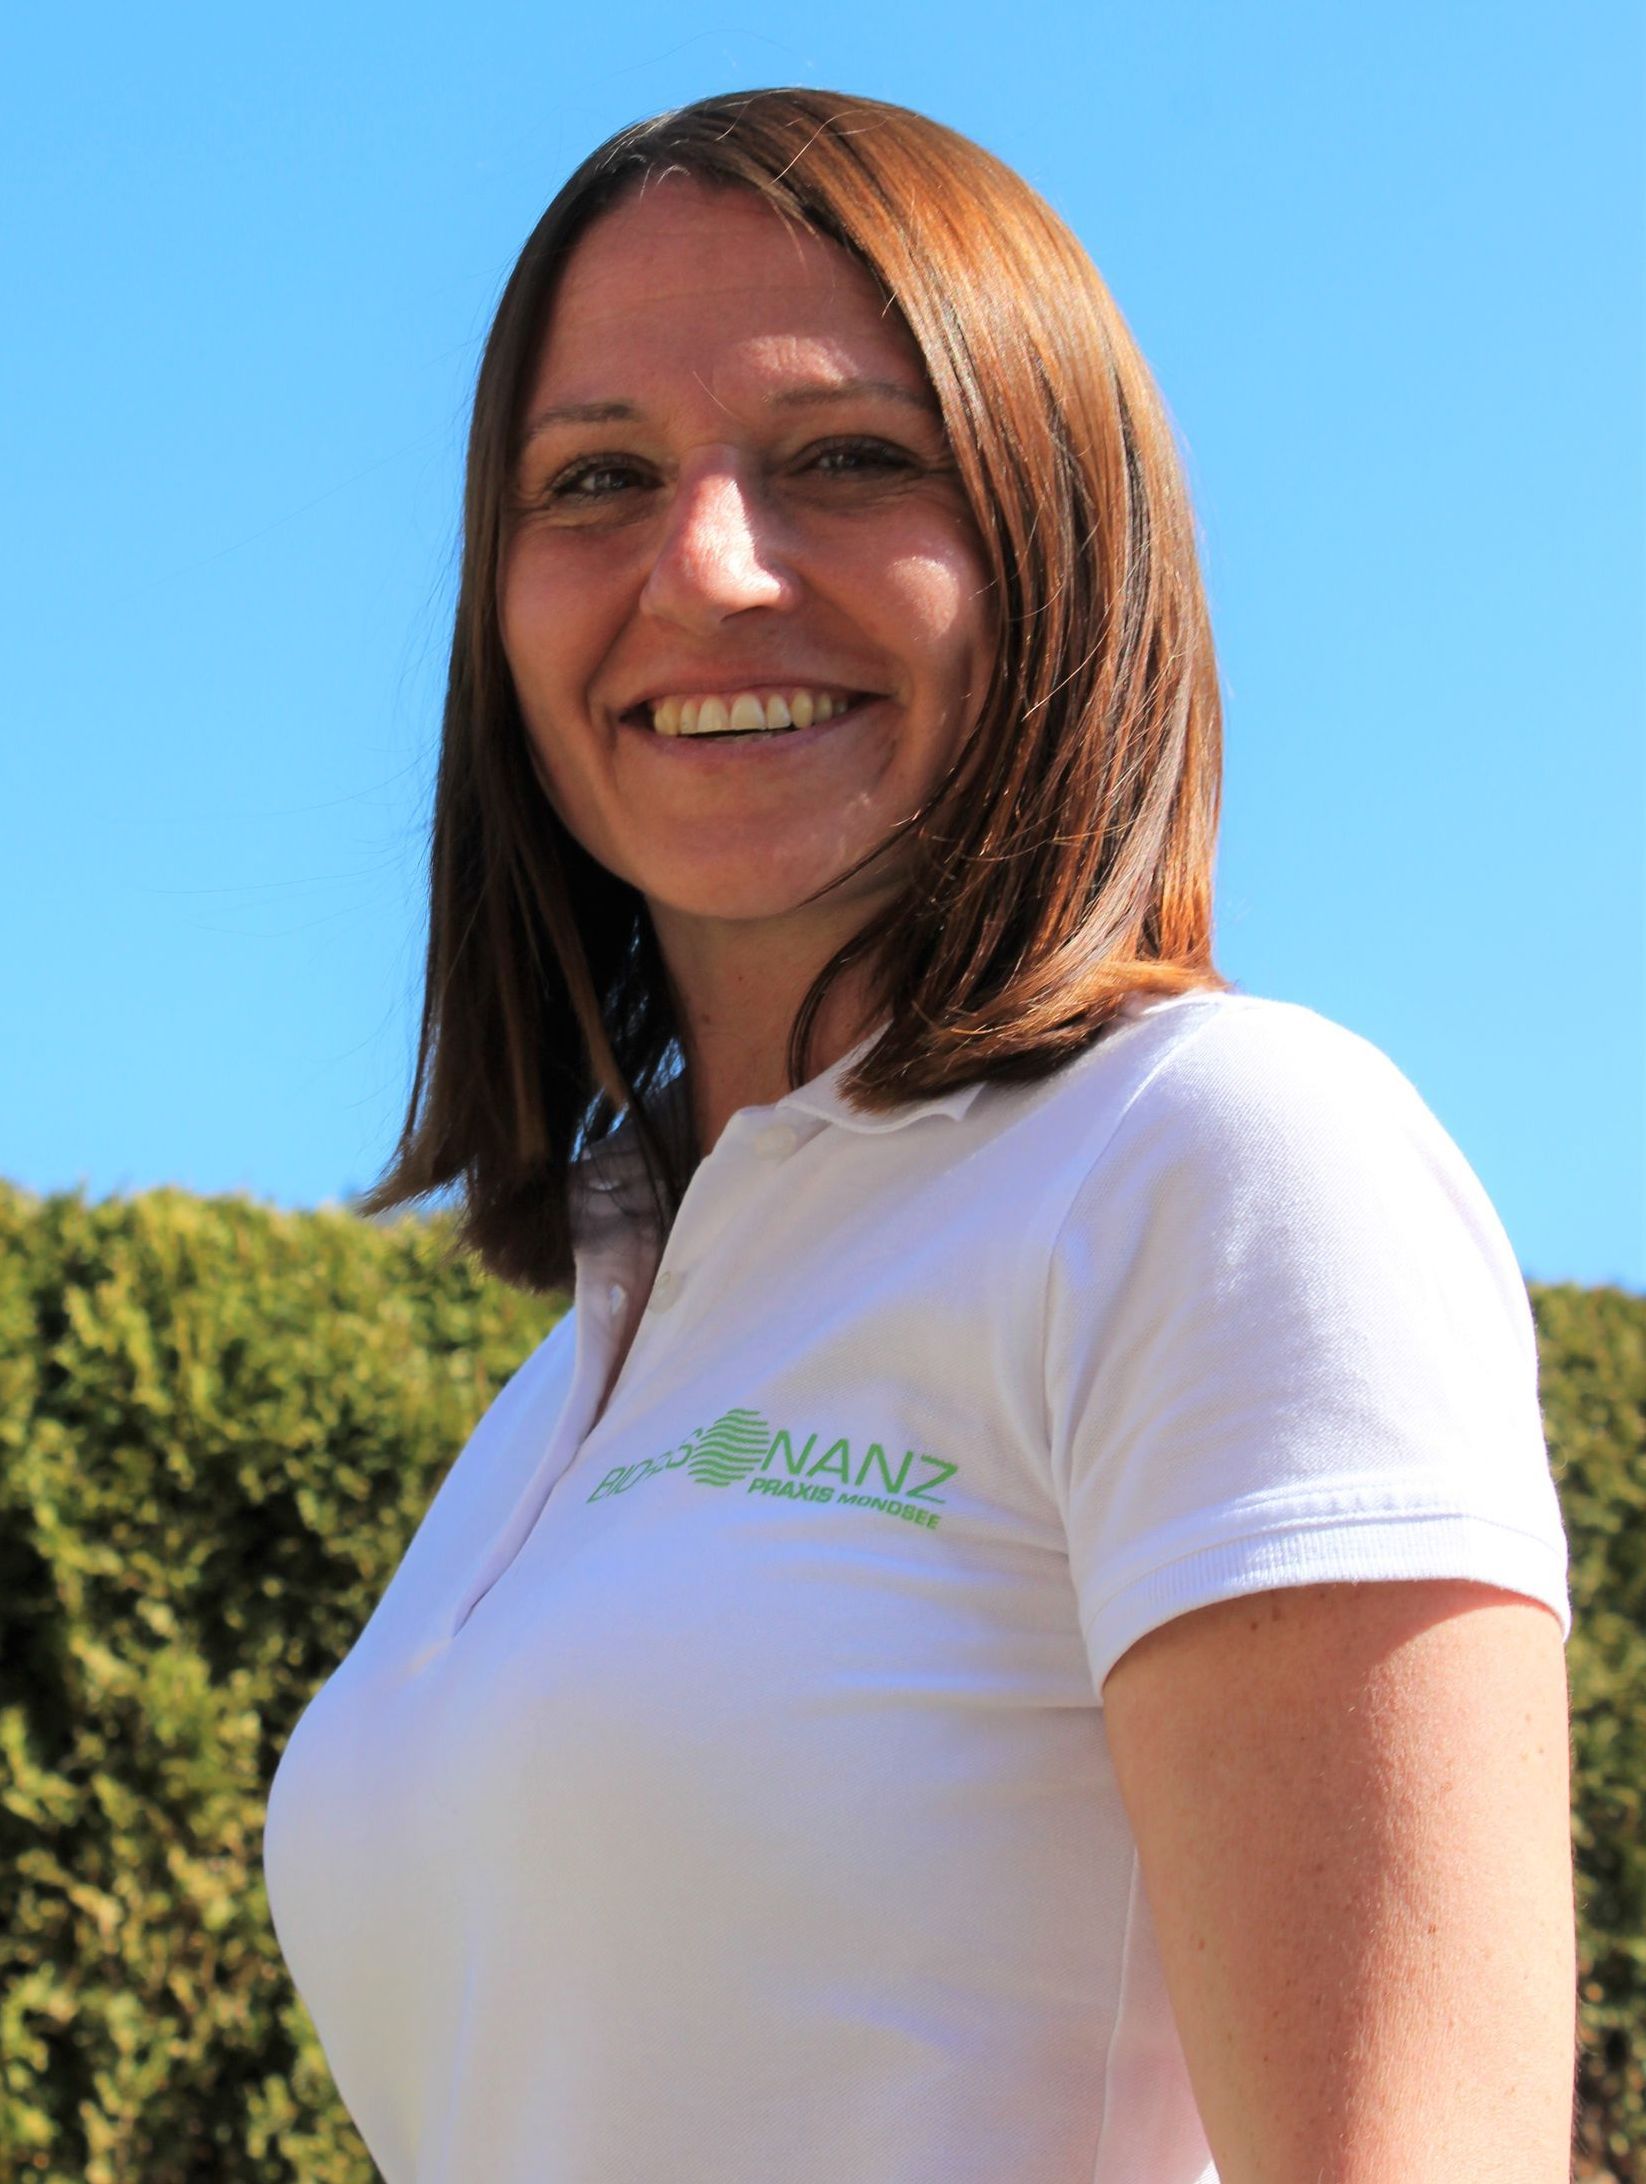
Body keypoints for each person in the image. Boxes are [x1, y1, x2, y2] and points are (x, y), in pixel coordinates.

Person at [261, 88, 1577, 2183]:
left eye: (847, 459)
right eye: (593, 478)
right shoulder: (571, 1374)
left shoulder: (1222, 1161)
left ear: (1059, 539)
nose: (705, 564)